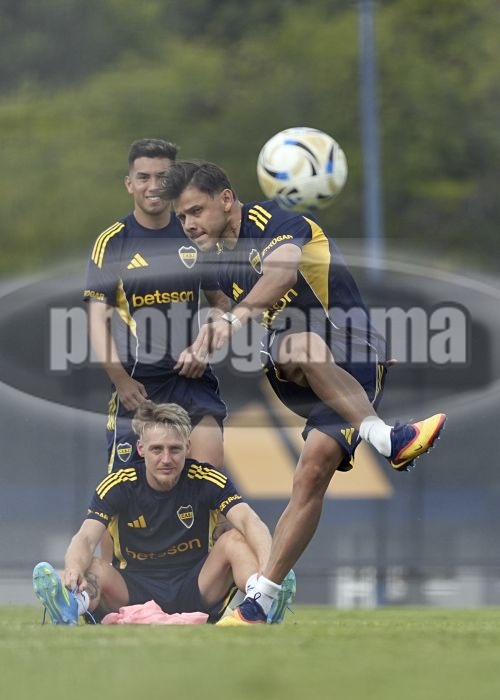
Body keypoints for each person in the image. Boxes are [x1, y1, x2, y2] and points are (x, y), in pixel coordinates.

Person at [160, 160, 447, 625]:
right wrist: (204, 340)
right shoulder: (211, 259)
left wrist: (234, 320)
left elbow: (282, 277)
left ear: (227, 199)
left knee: (311, 474)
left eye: (195, 211)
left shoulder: (277, 222)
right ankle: (387, 438)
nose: (189, 224)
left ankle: (260, 601)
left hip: (355, 357)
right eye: (182, 217)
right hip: (293, 359)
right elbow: (221, 308)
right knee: (302, 342)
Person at [32, 401, 296, 625]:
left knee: (235, 540)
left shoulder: (206, 479)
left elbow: (250, 521)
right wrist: (73, 569)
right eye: (157, 449)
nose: (166, 459)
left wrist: (268, 570)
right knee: (91, 565)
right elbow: (86, 538)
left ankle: (264, 599)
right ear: (141, 449)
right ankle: (70, 605)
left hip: (196, 586)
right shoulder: (118, 484)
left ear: (188, 448)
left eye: (175, 449)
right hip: (132, 589)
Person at [83, 139, 229, 473]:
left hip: (192, 381)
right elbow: (95, 320)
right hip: (140, 387)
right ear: (129, 183)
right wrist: (120, 380)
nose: (153, 186)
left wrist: (204, 346)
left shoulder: (193, 233)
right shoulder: (113, 242)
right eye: (143, 177)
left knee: (209, 486)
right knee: (127, 497)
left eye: (162, 177)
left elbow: (220, 301)